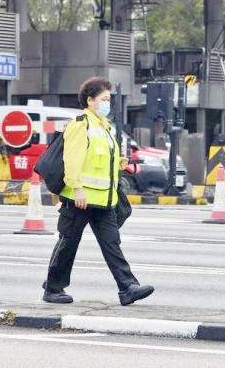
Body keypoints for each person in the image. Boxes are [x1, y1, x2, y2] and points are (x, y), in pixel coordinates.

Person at [42, 76, 154, 306]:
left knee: (112, 244)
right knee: (68, 243)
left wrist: (119, 162)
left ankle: (128, 288)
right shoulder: (80, 124)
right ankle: (53, 288)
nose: (108, 103)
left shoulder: (104, 127)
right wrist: (77, 188)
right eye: (104, 99)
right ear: (90, 100)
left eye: (109, 99)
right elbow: (72, 159)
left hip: (104, 200)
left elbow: (98, 159)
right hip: (80, 198)